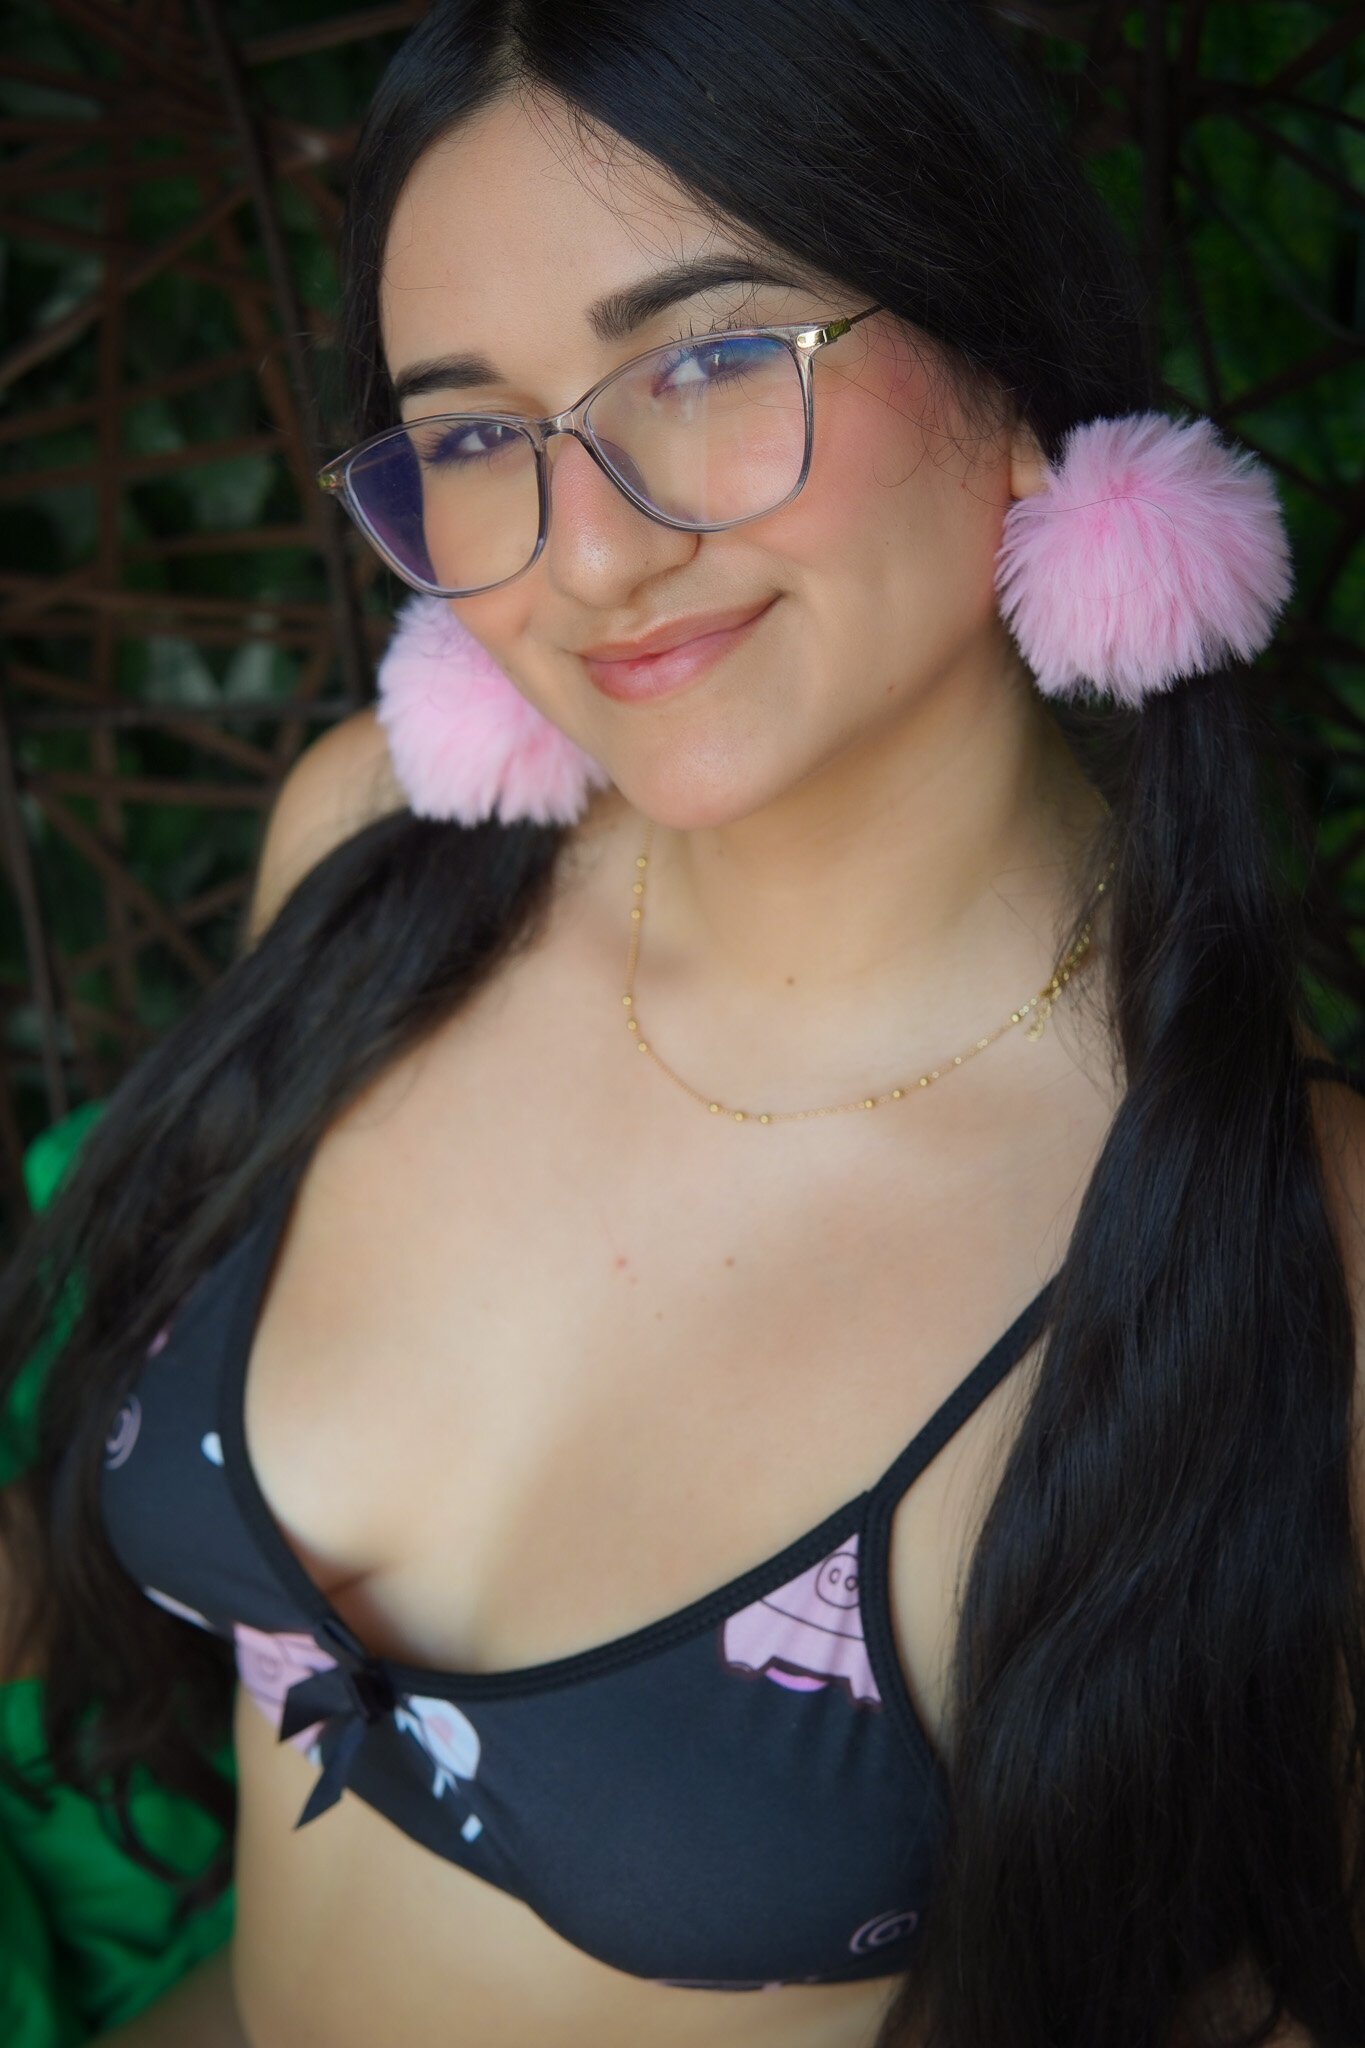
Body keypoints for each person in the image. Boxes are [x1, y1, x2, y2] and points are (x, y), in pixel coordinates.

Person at [3, 3, 1365, 2045]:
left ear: (1011, 367)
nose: (595, 550)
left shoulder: (1289, 1236)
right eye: (473, 435)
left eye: (710, 360)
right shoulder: (374, 859)